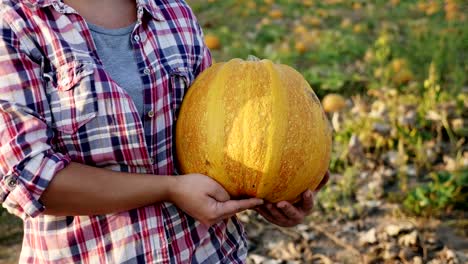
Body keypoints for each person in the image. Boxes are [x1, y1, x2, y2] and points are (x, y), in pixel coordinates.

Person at [0, 0, 329, 263]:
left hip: (209, 254)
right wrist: (169, 189)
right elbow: (27, 180)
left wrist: (271, 189)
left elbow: (210, 143)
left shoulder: (173, 12)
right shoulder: (15, 24)